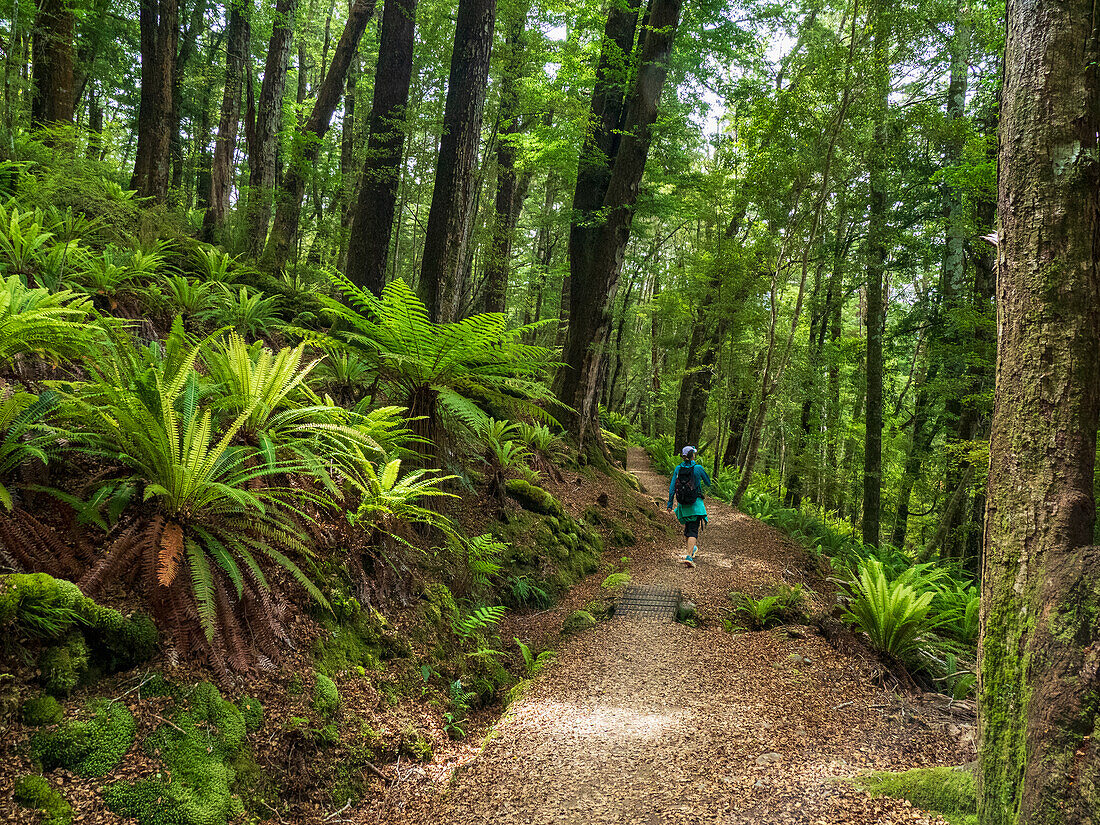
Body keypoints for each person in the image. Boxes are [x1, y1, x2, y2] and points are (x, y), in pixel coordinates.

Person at [667, 445, 711, 567]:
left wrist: (670, 504)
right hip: (695, 504)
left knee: (687, 529)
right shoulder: (698, 468)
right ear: (692, 455)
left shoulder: (678, 469)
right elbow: (708, 482)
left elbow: (672, 488)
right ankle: (689, 557)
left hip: (683, 505)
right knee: (693, 530)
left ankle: (693, 548)